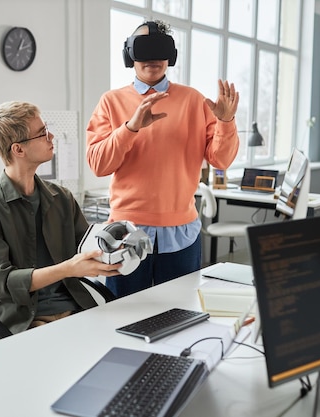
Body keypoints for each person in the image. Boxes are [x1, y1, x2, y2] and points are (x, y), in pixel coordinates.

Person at [86, 20, 240, 298]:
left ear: (171, 55)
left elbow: (221, 160)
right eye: (144, 49)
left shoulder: (194, 101)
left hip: (182, 233)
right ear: (129, 55)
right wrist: (130, 128)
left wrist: (226, 121)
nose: (153, 58)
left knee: (180, 313)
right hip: (126, 232)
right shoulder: (111, 102)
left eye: (160, 49)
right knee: (123, 314)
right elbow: (98, 165)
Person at [0, 101, 121, 348]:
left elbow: (87, 249)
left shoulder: (62, 198)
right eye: (42, 133)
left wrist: (117, 245)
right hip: (21, 322)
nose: (51, 136)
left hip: (75, 312)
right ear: (18, 150)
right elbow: (4, 283)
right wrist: (68, 268)